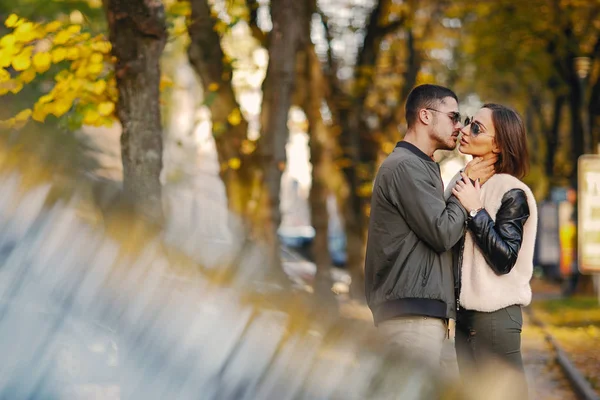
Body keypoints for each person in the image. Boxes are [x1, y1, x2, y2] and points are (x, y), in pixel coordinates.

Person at [364, 84, 495, 369]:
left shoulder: (421, 166)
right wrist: (467, 189)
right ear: (425, 115)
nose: (460, 127)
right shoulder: (405, 167)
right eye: (453, 117)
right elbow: (442, 233)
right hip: (410, 317)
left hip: (420, 314)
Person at [449, 103, 537, 395]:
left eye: (477, 128)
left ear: (498, 145)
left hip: (496, 319)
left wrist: (476, 211)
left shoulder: (512, 191)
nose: (464, 130)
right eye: (468, 122)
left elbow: (504, 259)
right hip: (464, 318)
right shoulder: (461, 182)